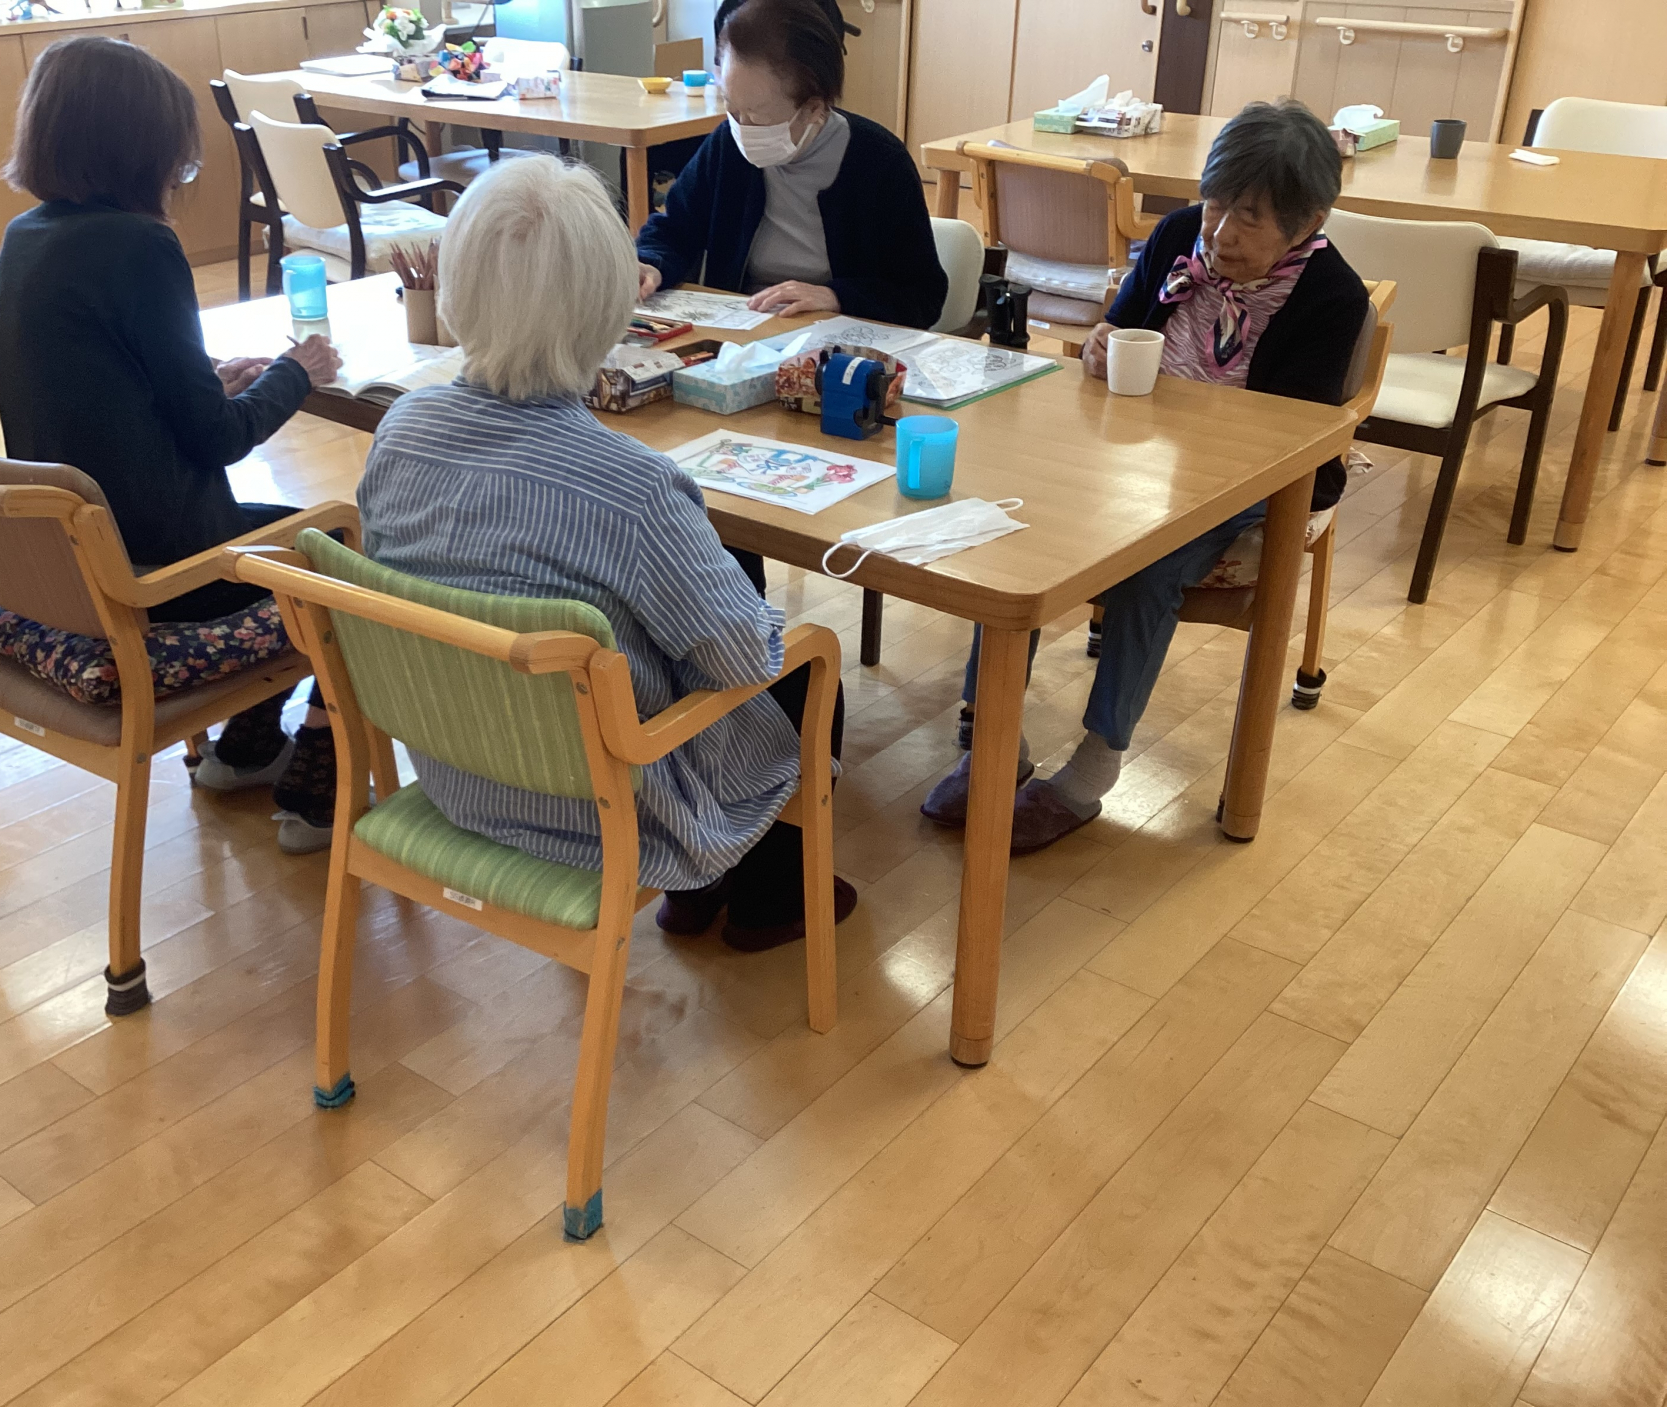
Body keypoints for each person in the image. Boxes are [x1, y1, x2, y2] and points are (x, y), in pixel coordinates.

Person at [358, 154, 854, 950]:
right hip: (613, 812)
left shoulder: (400, 432)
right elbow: (741, 662)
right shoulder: (635, 487)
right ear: (610, 311)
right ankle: (768, 897)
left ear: (455, 288)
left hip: (460, 773)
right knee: (804, 667)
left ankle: (702, 895)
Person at [922, 99, 1366, 850]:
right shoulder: (1176, 236)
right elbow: (1120, 324)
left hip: (1247, 484)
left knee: (1146, 567)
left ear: (1307, 223)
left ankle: (1094, 768)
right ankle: (993, 734)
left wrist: (1173, 431)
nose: (1220, 234)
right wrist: (1102, 344)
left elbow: (1285, 440)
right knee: (1015, 523)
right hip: (1128, 455)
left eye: (1249, 218)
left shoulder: (1330, 297)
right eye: (1217, 204)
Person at [0, 35, 344, 853]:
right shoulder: (141, 247)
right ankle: (319, 773)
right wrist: (297, 372)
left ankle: (246, 746)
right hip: (159, 568)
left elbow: (87, 386)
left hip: (71, 557)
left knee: (289, 531)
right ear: (141, 150)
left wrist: (203, 378)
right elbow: (219, 439)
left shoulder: (25, 237)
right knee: (335, 547)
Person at [634, 0, 946, 329]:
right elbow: (674, 229)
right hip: (741, 334)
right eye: (732, 107)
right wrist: (652, 264)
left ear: (814, 109)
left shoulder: (880, 164)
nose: (741, 127)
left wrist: (836, 296)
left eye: (757, 116)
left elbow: (923, 296)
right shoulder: (726, 146)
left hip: (834, 340)